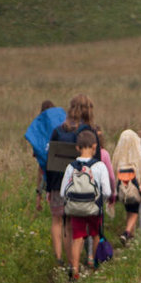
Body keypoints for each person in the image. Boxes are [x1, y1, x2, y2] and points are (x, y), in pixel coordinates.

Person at [45, 93, 98, 267]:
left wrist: (48, 188)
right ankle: (74, 263)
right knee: (73, 224)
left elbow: (49, 161)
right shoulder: (87, 133)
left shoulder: (58, 130)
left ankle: (61, 258)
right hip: (78, 183)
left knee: (58, 220)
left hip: (56, 183)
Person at [60, 129, 111, 280]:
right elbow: (107, 191)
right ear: (95, 146)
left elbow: (63, 192)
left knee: (77, 237)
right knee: (95, 235)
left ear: (77, 147)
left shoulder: (71, 167)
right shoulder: (100, 166)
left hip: (76, 209)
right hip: (95, 208)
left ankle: (74, 271)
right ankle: (94, 266)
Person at [24, 100, 65, 213]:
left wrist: (38, 196)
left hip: (53, 182)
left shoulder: (41, 136)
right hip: (70, 180)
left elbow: (41, 168)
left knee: (56, 218)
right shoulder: (64, 127)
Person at [112, 128, 141, 245]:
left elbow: (113, 170)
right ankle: (127, 232)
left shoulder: (119, 157)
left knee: (129, 210)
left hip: (122, 190)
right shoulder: (137, 157)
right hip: (134, 189)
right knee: (134, 212)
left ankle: (130, 234)